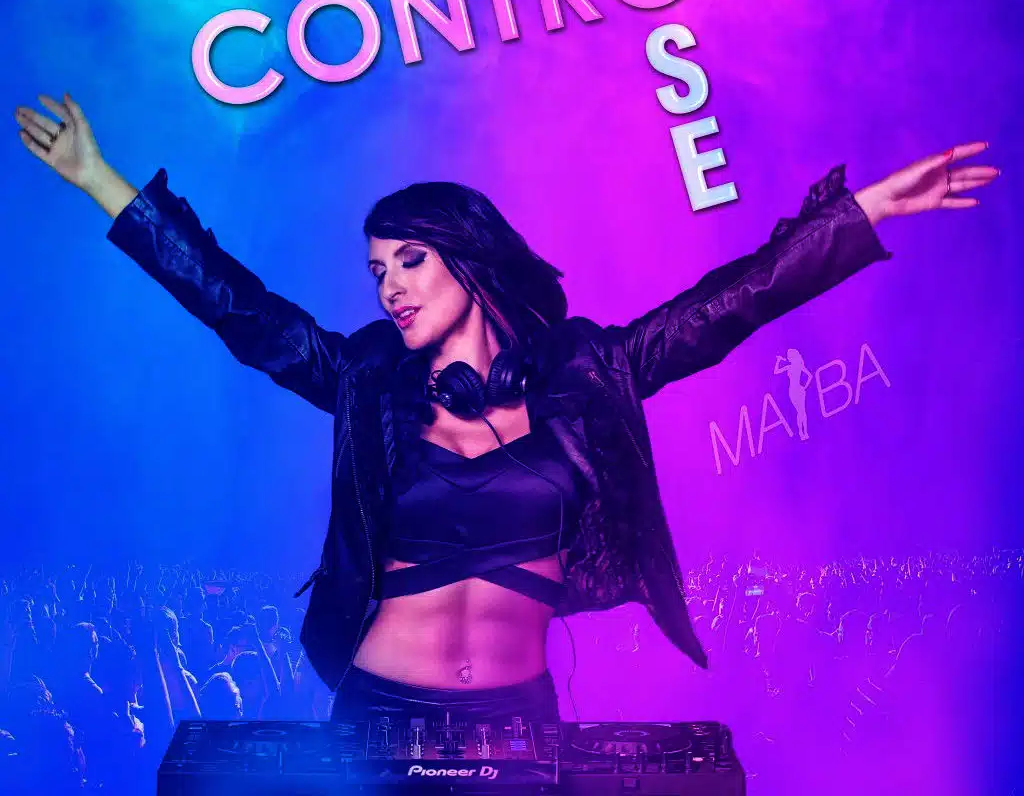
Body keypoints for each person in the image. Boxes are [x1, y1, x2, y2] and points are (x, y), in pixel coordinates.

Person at [13, 93, 999, 724]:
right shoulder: (367, 380)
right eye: (376, 271)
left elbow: (724, 307)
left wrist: (861, 213)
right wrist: (103, 182)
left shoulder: (585, 371)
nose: (390, 287)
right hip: (375, 713)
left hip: (520, 719)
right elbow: (241, 310)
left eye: (410, 260)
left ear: (468, 259)